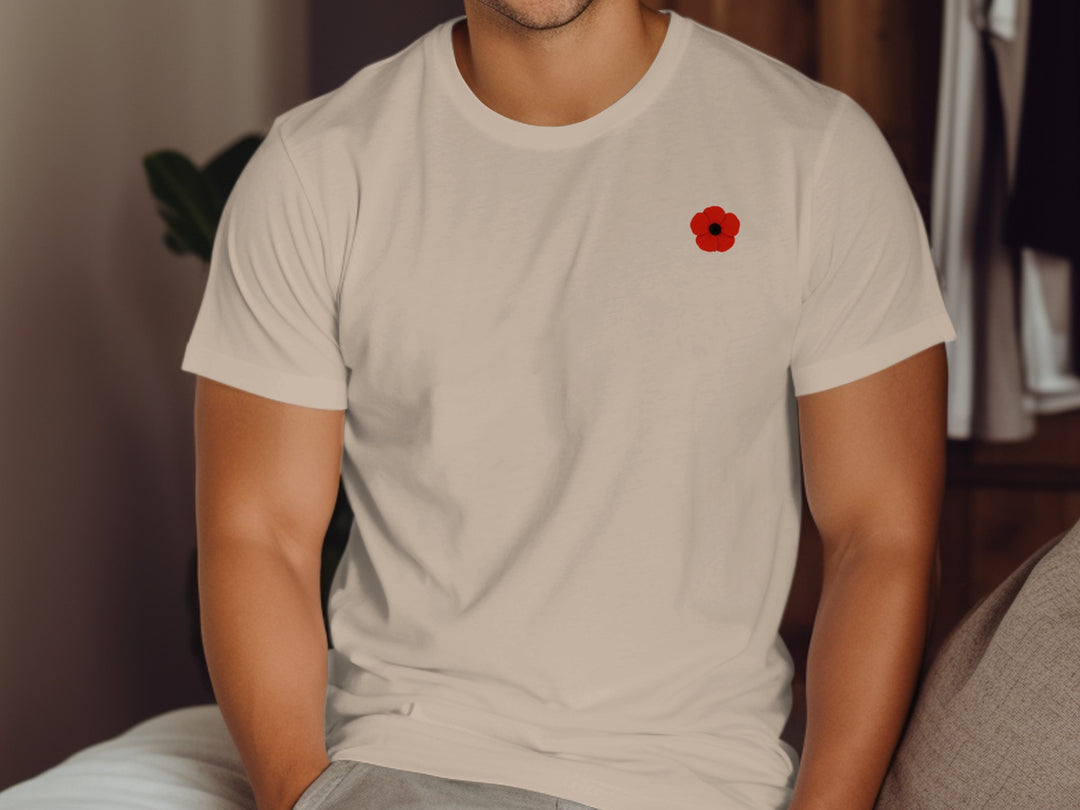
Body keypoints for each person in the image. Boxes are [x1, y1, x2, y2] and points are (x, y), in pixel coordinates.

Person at [180, 1, 957, 808]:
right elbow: (258, 531)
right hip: (406, 757)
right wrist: (299, 796)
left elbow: (882, 535)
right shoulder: (317, 169)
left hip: (698, 781)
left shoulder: (815, 152)